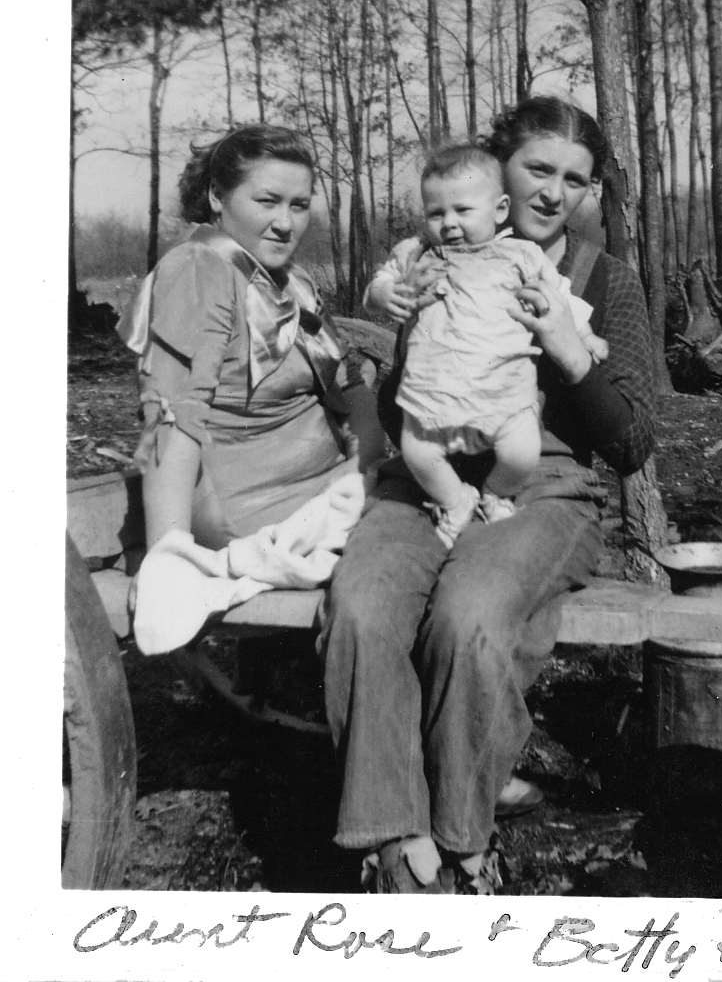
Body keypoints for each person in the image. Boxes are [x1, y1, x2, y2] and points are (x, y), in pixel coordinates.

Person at [322, 96, 656, 895]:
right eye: (539, 167)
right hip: (428, 472)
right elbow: (411, 389)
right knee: (364, 607)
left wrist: (570, 352)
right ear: (496, 172)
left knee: (470, 618)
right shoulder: (431, 256)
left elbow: (634, 439)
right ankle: (393, 840)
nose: (555, 192)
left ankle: (463, 840)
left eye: (575, 180)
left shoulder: (602, 279)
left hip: (540, 481)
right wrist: (397, 317)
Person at [118, 124, 383, 561]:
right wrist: (167, 558)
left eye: (299, 206)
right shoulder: (200, 269)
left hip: (334, 486)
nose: (285, 224)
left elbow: (348, 378)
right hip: (253, 513)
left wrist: (365, 465)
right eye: (267, 201)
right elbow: (171, 419)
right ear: (218, 197)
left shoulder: (289, 279)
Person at [365, 143, 608, 547]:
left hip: (501, 391)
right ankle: (456, 500)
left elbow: (559, 300)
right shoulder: (420, 256)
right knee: (419, 454)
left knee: (521, 454)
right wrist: (385, 294)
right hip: (434, 395)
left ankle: (496, 491)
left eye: (463, 210)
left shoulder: (519, 255)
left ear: (498, 210)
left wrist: (585, 338)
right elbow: (380, 283)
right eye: (436, 213)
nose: (449, 224)